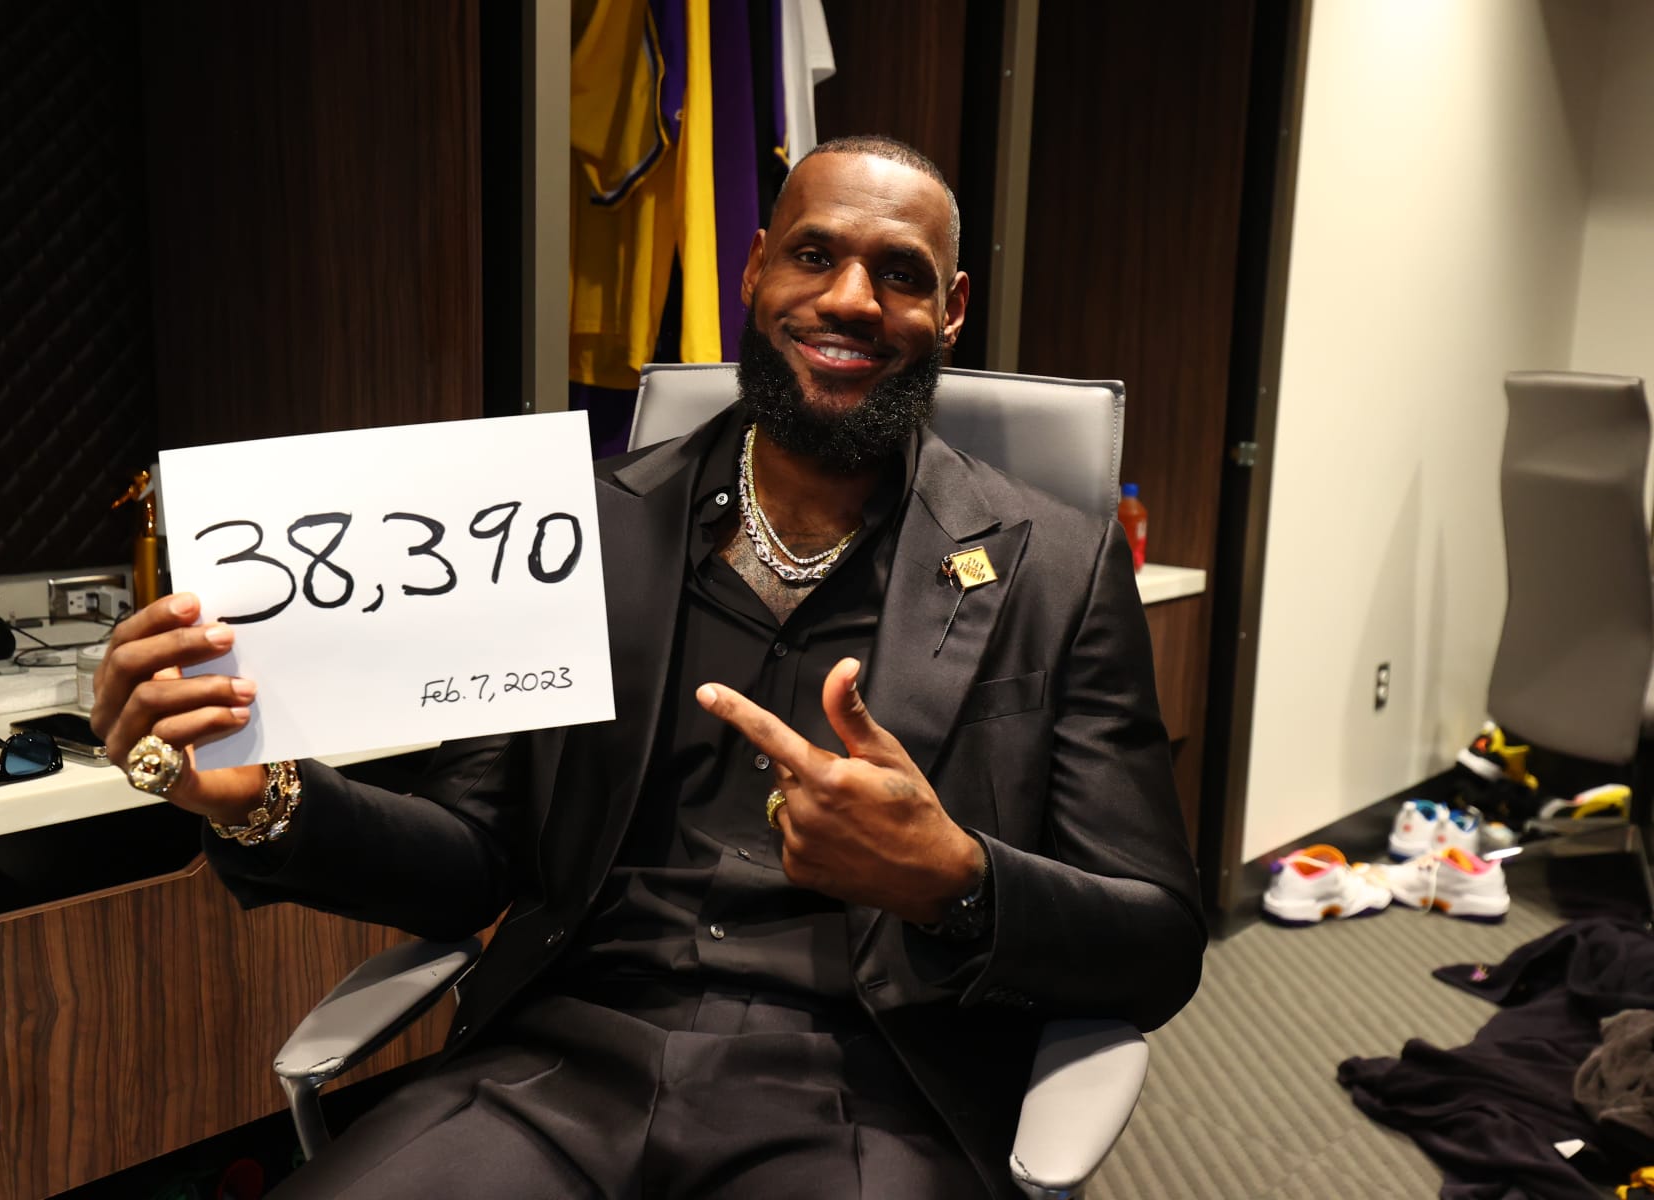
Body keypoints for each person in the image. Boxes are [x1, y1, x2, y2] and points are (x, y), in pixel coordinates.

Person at [91, 135, 1204, 1199]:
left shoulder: (1056, 563)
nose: (853, 300)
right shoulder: (575, 531)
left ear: (949, 313)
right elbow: (475, 857)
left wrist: (955, 878)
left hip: (868, 1089)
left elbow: (1154, 942)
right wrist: (265, 805)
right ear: (755, 270)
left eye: (900, 274)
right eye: (815, 254)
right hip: (563, 1068)